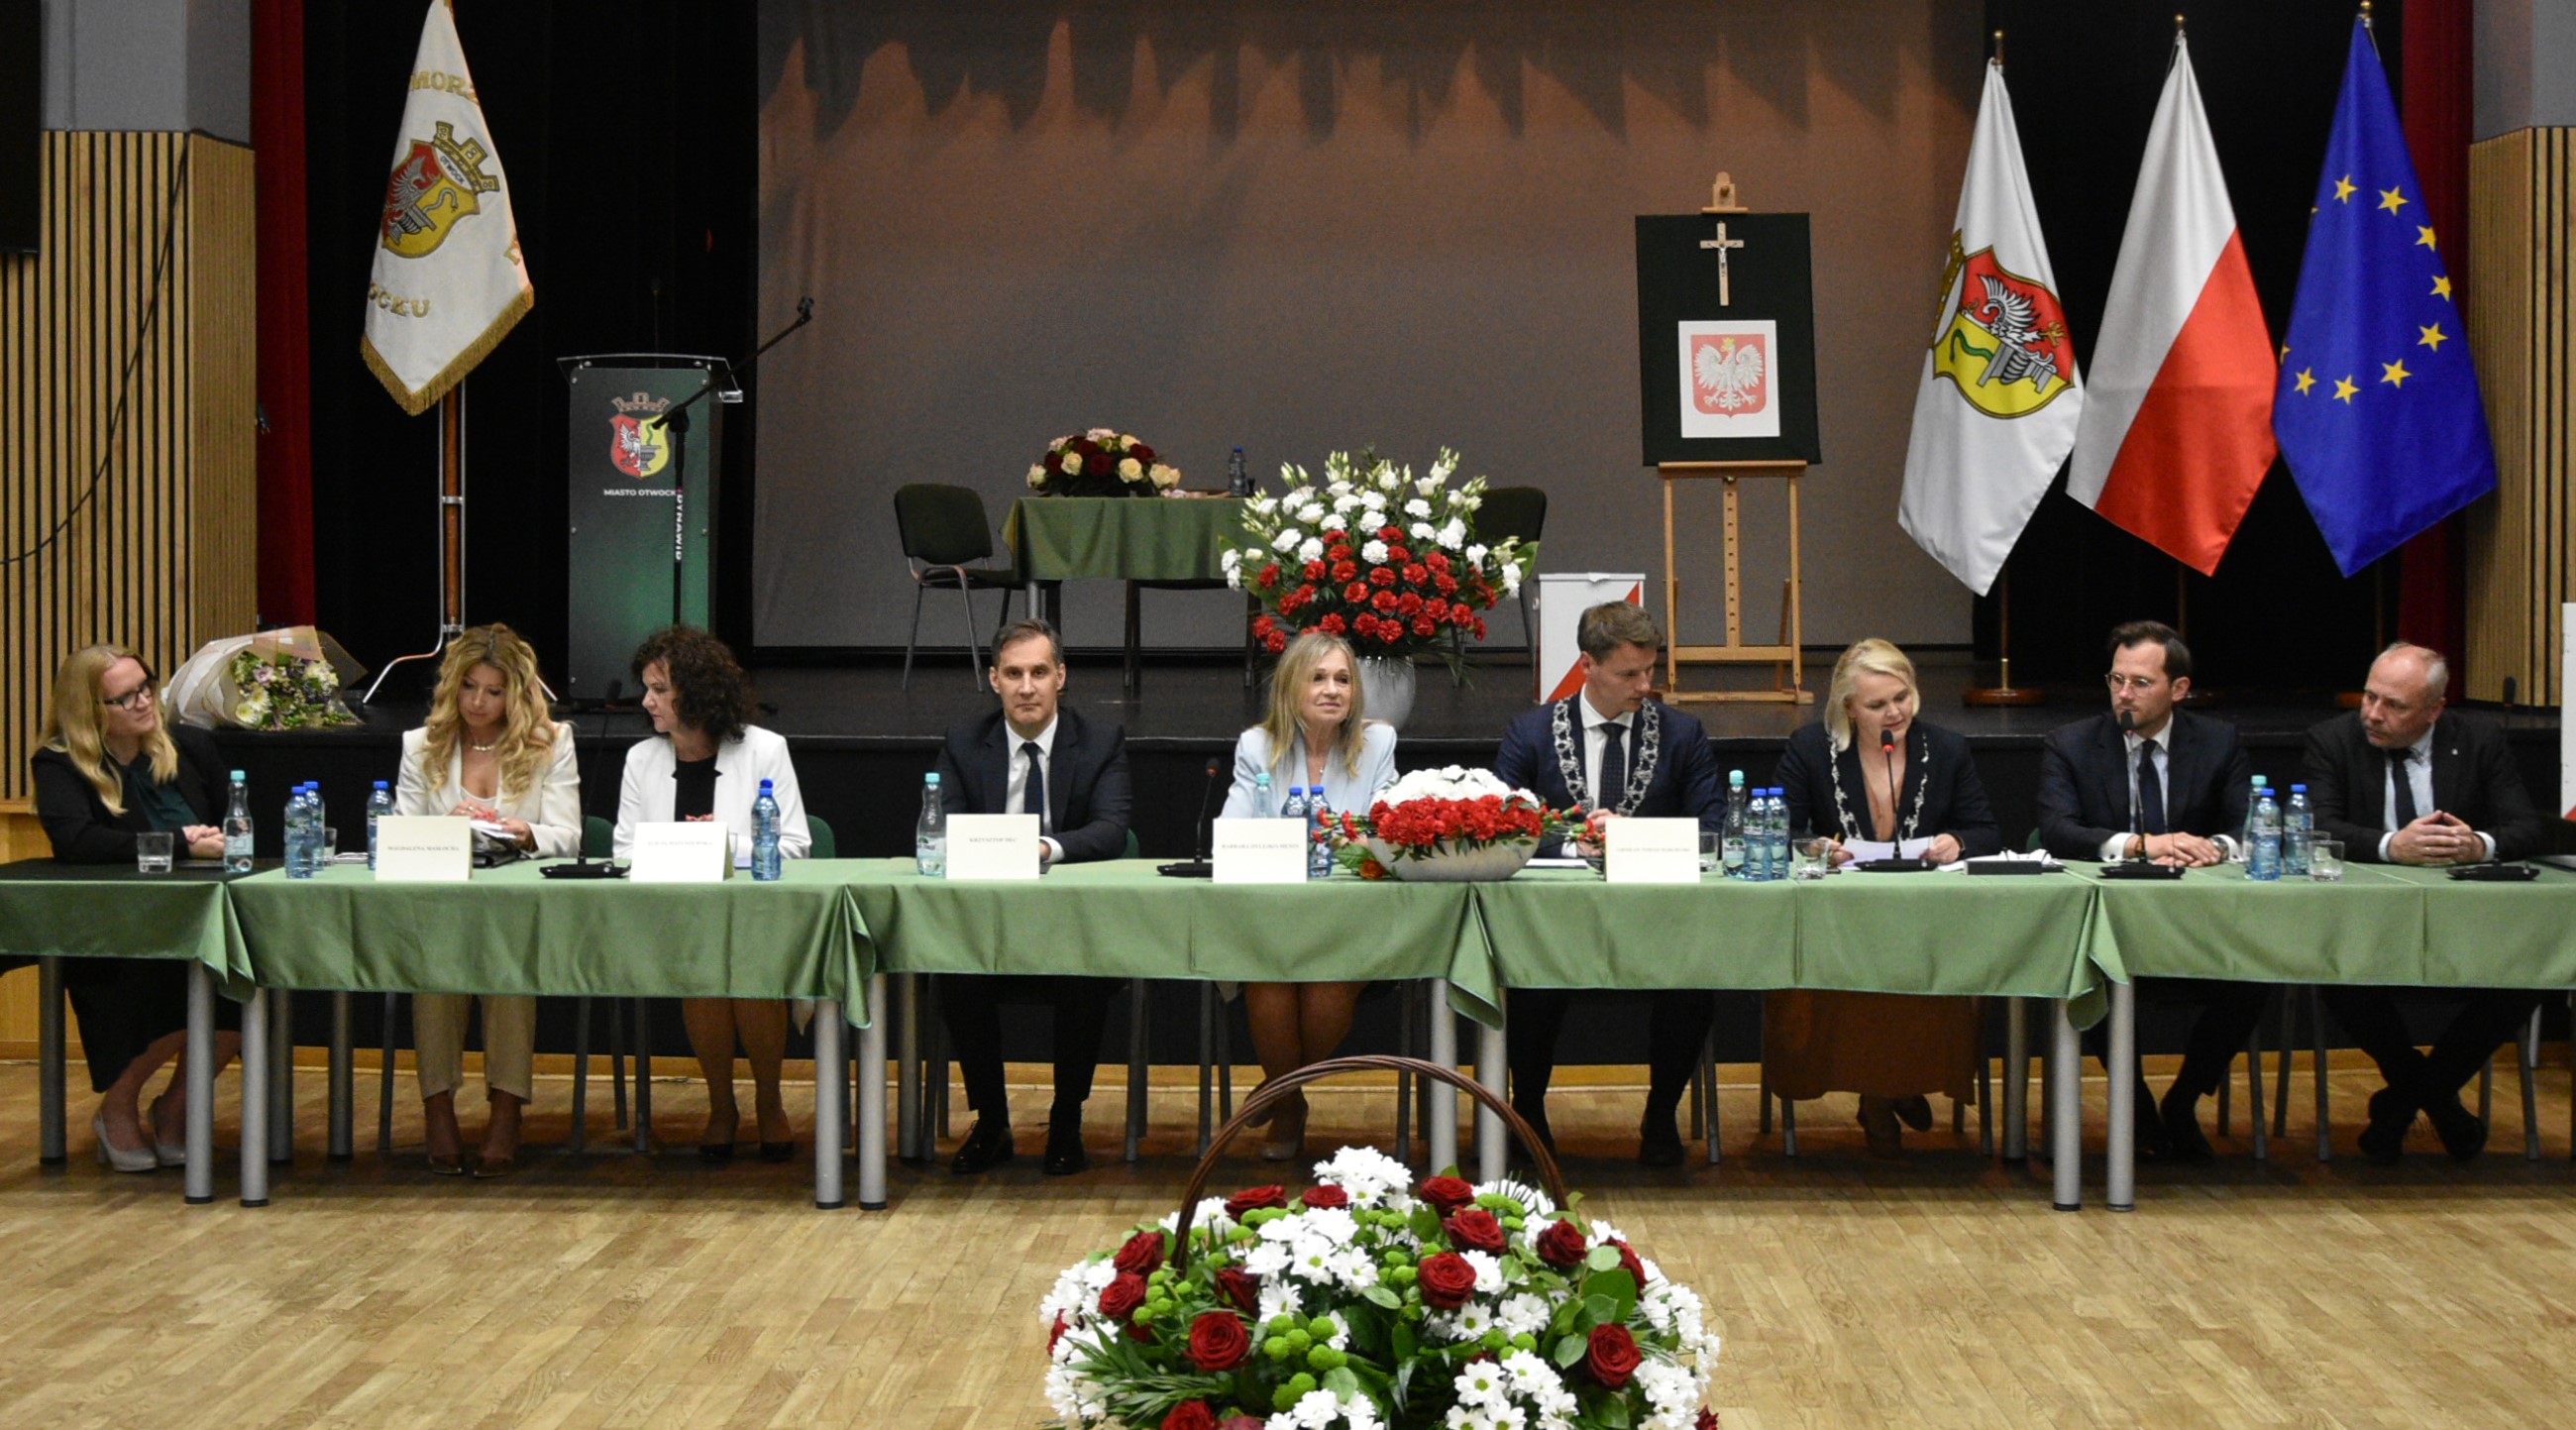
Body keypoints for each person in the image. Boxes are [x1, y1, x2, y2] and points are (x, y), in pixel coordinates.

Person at [1495, 602, 1725, 1166]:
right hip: (1555, 920)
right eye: (1628, 674)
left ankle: (1662, 1113)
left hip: (1655, 917)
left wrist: (1633, 837)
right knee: (1528, 974)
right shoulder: (1531, 733)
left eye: (1650, 670)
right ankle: (1529, 1111)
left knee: (1695, 977)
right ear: (1587, 665)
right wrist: (1573, 843)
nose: (1644, 685)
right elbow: (1499, 825)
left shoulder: (1682, 734)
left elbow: (1715, 829)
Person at [2305, 642, 2546, 1163]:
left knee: (2531, 973)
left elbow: (2527, 826)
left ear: (2435, 710)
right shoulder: (2333, 740)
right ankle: (2438, 1103)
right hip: (2370, 927)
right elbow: (2317, 825)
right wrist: (2392, 846)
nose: (2373, 714)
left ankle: (2403, 1101)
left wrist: (2478, 844)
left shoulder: (2478, 739)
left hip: (2468, 927)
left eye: (2394, 705)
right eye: (2370, 696)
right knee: (2334, 974)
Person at [1766, 637, 2001, 1156]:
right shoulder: (1811, 748)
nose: (1895, 713)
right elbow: (1781, 829)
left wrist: (1956, 841)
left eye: (1902, 697)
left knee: (1919, 962)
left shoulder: (1945, 748)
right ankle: (1885, 1089)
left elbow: (1985, 829)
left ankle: (1894, 1085)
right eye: (1877, 705)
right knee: (1858, 965)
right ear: (1849, 708)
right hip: (1840, 917)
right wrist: (1817, 847)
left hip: (1922, 916)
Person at [2034, 620, 2260, 1162]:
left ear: (2178, 688)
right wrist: (2142, 845)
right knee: (2088, 974)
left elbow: (2249, 825)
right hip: (2110, 928)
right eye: (2116, 680)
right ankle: (2137, 1109)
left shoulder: (2218, 742)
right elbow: (2056, 830)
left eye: (2140, 683)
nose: (2124, 695)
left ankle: (2183, 1100)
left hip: (2199, 925)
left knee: (2259, 971)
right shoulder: (2072, 744)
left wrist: (2213, 847)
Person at [28, 644, 242, 1170]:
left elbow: (234, 821)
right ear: (89, 710)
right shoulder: (60, 762)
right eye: (124, 698)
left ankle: (174, 1109)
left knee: (243, 987)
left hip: (201, 915)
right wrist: (179, 845)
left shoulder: (190, 746)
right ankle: (117, 1108)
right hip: (114, 926)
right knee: (163, 991)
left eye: (146, 687)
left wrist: (223, 840)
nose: (144, 702)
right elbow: (77, 841)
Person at [935, 619, 1132, 1177]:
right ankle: (992, 1122)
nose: (1027, 687)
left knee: (1085, 971)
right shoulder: (963, 742)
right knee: (955, 970)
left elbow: (1112, 830)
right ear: (994, 679)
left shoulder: (1099, 741)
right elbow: (941, 827)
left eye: (1039, 673)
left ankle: (1066, 1120)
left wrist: (1042, 847)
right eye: (1014, 674)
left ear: (1060, 677)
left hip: (1069, 925)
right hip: (988, 924)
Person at [612, 625, 812, 1163]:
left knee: (747, 969)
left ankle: (769, 1102)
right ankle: (721, 1105)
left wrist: (714, 844)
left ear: (698, 693)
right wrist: (686, 849)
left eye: (660, 689)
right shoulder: (641, 759)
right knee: (703, 967)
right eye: (647, 688)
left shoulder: (765, 750)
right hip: (676, 915)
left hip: (753, 914)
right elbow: (624, 850)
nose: (647, 701)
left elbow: (794, 845)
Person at [394, 625, 581, 1176]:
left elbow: (569, 837)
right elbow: (398, 834)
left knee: (508, 971)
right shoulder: (420, 744)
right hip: (441, 904)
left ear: (516, 695)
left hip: (516, 903)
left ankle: (506, 1111)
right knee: (435, 972)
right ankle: (438, 1107)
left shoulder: (551, 742)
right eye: (469, 687)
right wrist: (446, 827)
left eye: (494, 691)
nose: (478, 702)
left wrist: (524, 830)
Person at [1219, 629, 1399, 1160]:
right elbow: (1233, 832)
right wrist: (1340, 839)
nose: (1332, 690)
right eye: (1318, 678)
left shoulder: (1378, 743)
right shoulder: (1258, 746)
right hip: (1274, 917)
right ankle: (1289, 1100)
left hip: (1351, 919)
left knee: (1327, 986)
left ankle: (1277, 1089)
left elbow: (1387, 831)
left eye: (1343, 679)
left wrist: (1356, 840)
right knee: (1267, 983)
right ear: (1291, 687)